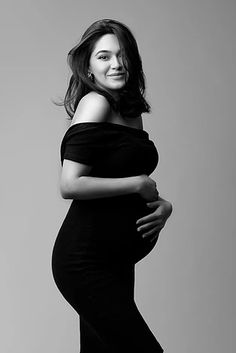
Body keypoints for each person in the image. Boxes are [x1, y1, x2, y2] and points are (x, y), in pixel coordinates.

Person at [51, 18, 172, 353]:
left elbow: (121, 174)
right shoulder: (96, 103)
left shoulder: (130, 112)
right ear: (88, 67)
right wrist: (138, 183)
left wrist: (163, 205)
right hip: (84, 260)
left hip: (115, 259)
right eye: (104, 57)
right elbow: (70, 184)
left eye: (122, 55)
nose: (116, 64)